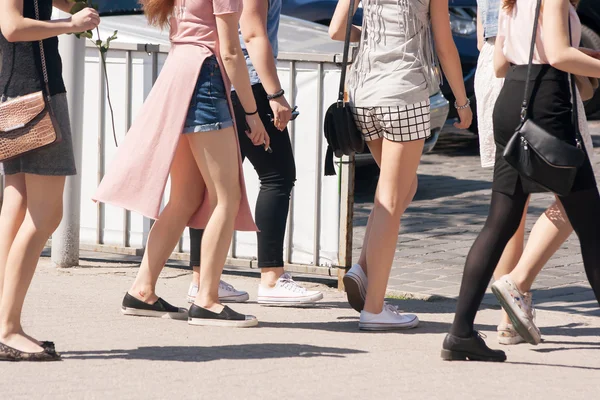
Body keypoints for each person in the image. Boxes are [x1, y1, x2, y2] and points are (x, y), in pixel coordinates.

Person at [93, 0, 269, 327]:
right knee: (225, 198)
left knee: (185, 198)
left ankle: (142, 291)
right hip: (205, 78)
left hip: (179, 77)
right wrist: (252, 113)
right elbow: (231, 52)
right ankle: (208, 300)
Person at [443, 0, 600, 362]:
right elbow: (559, 55)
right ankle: (462, 333)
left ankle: (460, 332)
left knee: (500, 221)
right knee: (593, 226)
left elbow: (499, 64)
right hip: (547, 105)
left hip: (512, 99)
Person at [330, 0, 472, 330]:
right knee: (392, 200)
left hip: (364, 94)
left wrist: (375, 36)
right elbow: (444, 43)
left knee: (403, 188)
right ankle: (375, 309)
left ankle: (363, 268)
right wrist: (461, 101)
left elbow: (337, 30)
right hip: (404, 92)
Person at [186, 0, 323, 306]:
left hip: (218, 80)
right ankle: (272, 277)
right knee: (277, 175)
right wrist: (275, 94)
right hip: (249, 84)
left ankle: (201, 278)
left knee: (213, 188)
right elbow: (252, 34)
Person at [0, 0, 100, 360]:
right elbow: (11, 26)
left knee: (17, 205)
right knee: (45, 216)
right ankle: (7, 329)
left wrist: (69, 9)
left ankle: (5, 323)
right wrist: (69, 24)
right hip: (35, 96)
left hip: (16, 93)